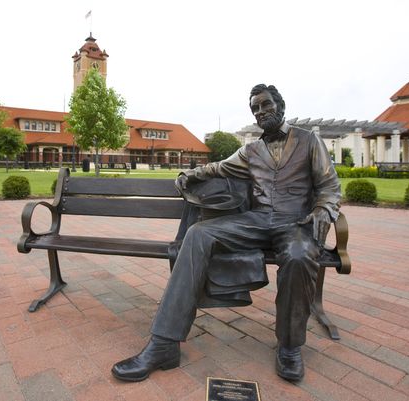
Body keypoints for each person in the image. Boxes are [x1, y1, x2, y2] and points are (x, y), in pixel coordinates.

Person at [111, 84, 341, 382]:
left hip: (294, 223)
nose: (260, 112)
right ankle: (163, 343)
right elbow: (219, 168)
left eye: (265, 105)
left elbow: (329, 187)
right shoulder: (251, 150)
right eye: (255, 108)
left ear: (280, 106)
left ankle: (289, 346)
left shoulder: (309, 141)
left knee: (298, 256)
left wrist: (324, 210)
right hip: (256, 220)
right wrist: (189, 175)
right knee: (197, 234)